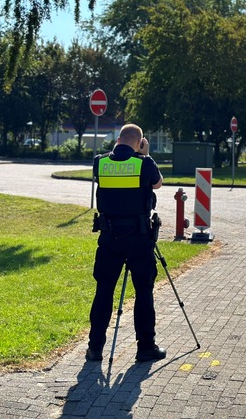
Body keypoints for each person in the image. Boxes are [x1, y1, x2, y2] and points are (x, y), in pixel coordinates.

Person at [86, 123, 166, 363]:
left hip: (109, 238)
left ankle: (95, 348)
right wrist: (145, 154)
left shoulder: (100, 163)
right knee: (143, 292)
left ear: (118, 139)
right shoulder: (145, 163)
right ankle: (145, 348)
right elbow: (157, 183)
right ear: (140, 142)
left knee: (103, 292)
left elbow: (110, 164)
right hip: (139, 239)